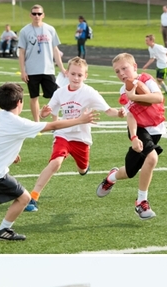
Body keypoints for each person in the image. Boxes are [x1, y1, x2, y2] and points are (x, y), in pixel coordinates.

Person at [0, 82, 96, 241]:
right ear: (19, 103)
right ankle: (3, 229)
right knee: (24, 198)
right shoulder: (20, 123)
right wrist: (80, 120)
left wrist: (10, 154)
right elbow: (53, 125)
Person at [25, 57, 120, 212]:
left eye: (80, 75)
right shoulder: (59, 92)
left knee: (82, 169)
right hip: (63, 134)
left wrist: (120, 113)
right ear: (67, 73)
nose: (76, 78)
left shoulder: (89, 93)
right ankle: (33, 196)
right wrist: (43, 113)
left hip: (81, 138)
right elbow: (47, 113)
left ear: (85, 76)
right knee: (56, 162)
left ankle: (84, 167)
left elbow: (109, 111)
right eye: (73, 74)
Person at [96, 52, 166, 220]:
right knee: (152, 158)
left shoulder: (146, 79)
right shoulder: (124, 91)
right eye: (117, 71)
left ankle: (111, 176)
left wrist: (135, 95)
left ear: (134, 67)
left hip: (155, 130)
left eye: (124, 68)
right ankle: (141, 202)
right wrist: (134, 137)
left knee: (129, 172)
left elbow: (158, 97)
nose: (121, 73)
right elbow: (131, 115)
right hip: (139, 129)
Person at [17, 5, 66, 121]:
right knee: (34, 97)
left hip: (48, 69)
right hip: (32, 69)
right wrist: (23, 71)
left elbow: (55, 50)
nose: (36, 16)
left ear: (43, 15)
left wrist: (62, 68)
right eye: (34, 14)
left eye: (39, 14)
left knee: (55, 96)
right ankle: (37, 122)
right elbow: (22, 52)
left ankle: (55, 120)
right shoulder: (25, 31)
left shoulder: (50, 29)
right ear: (30, 15)